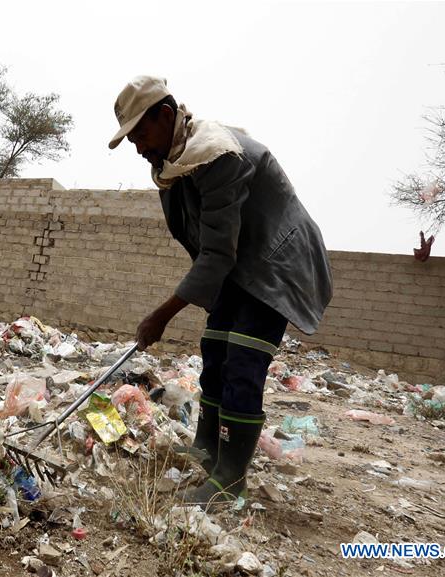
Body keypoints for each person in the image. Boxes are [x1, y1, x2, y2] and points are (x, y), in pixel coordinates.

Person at [109, 75, 333, 510]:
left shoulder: (217, 154)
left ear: (167, 115)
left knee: (243, 360)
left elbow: (213, 254)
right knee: (214, 347)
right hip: (238, 265)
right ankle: (208, 455)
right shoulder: (173, 168)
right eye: (131, 138)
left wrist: (162, 314)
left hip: (276, 263)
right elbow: (203, 247)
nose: (138, 146)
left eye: (141, 132)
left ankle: (230, 479)